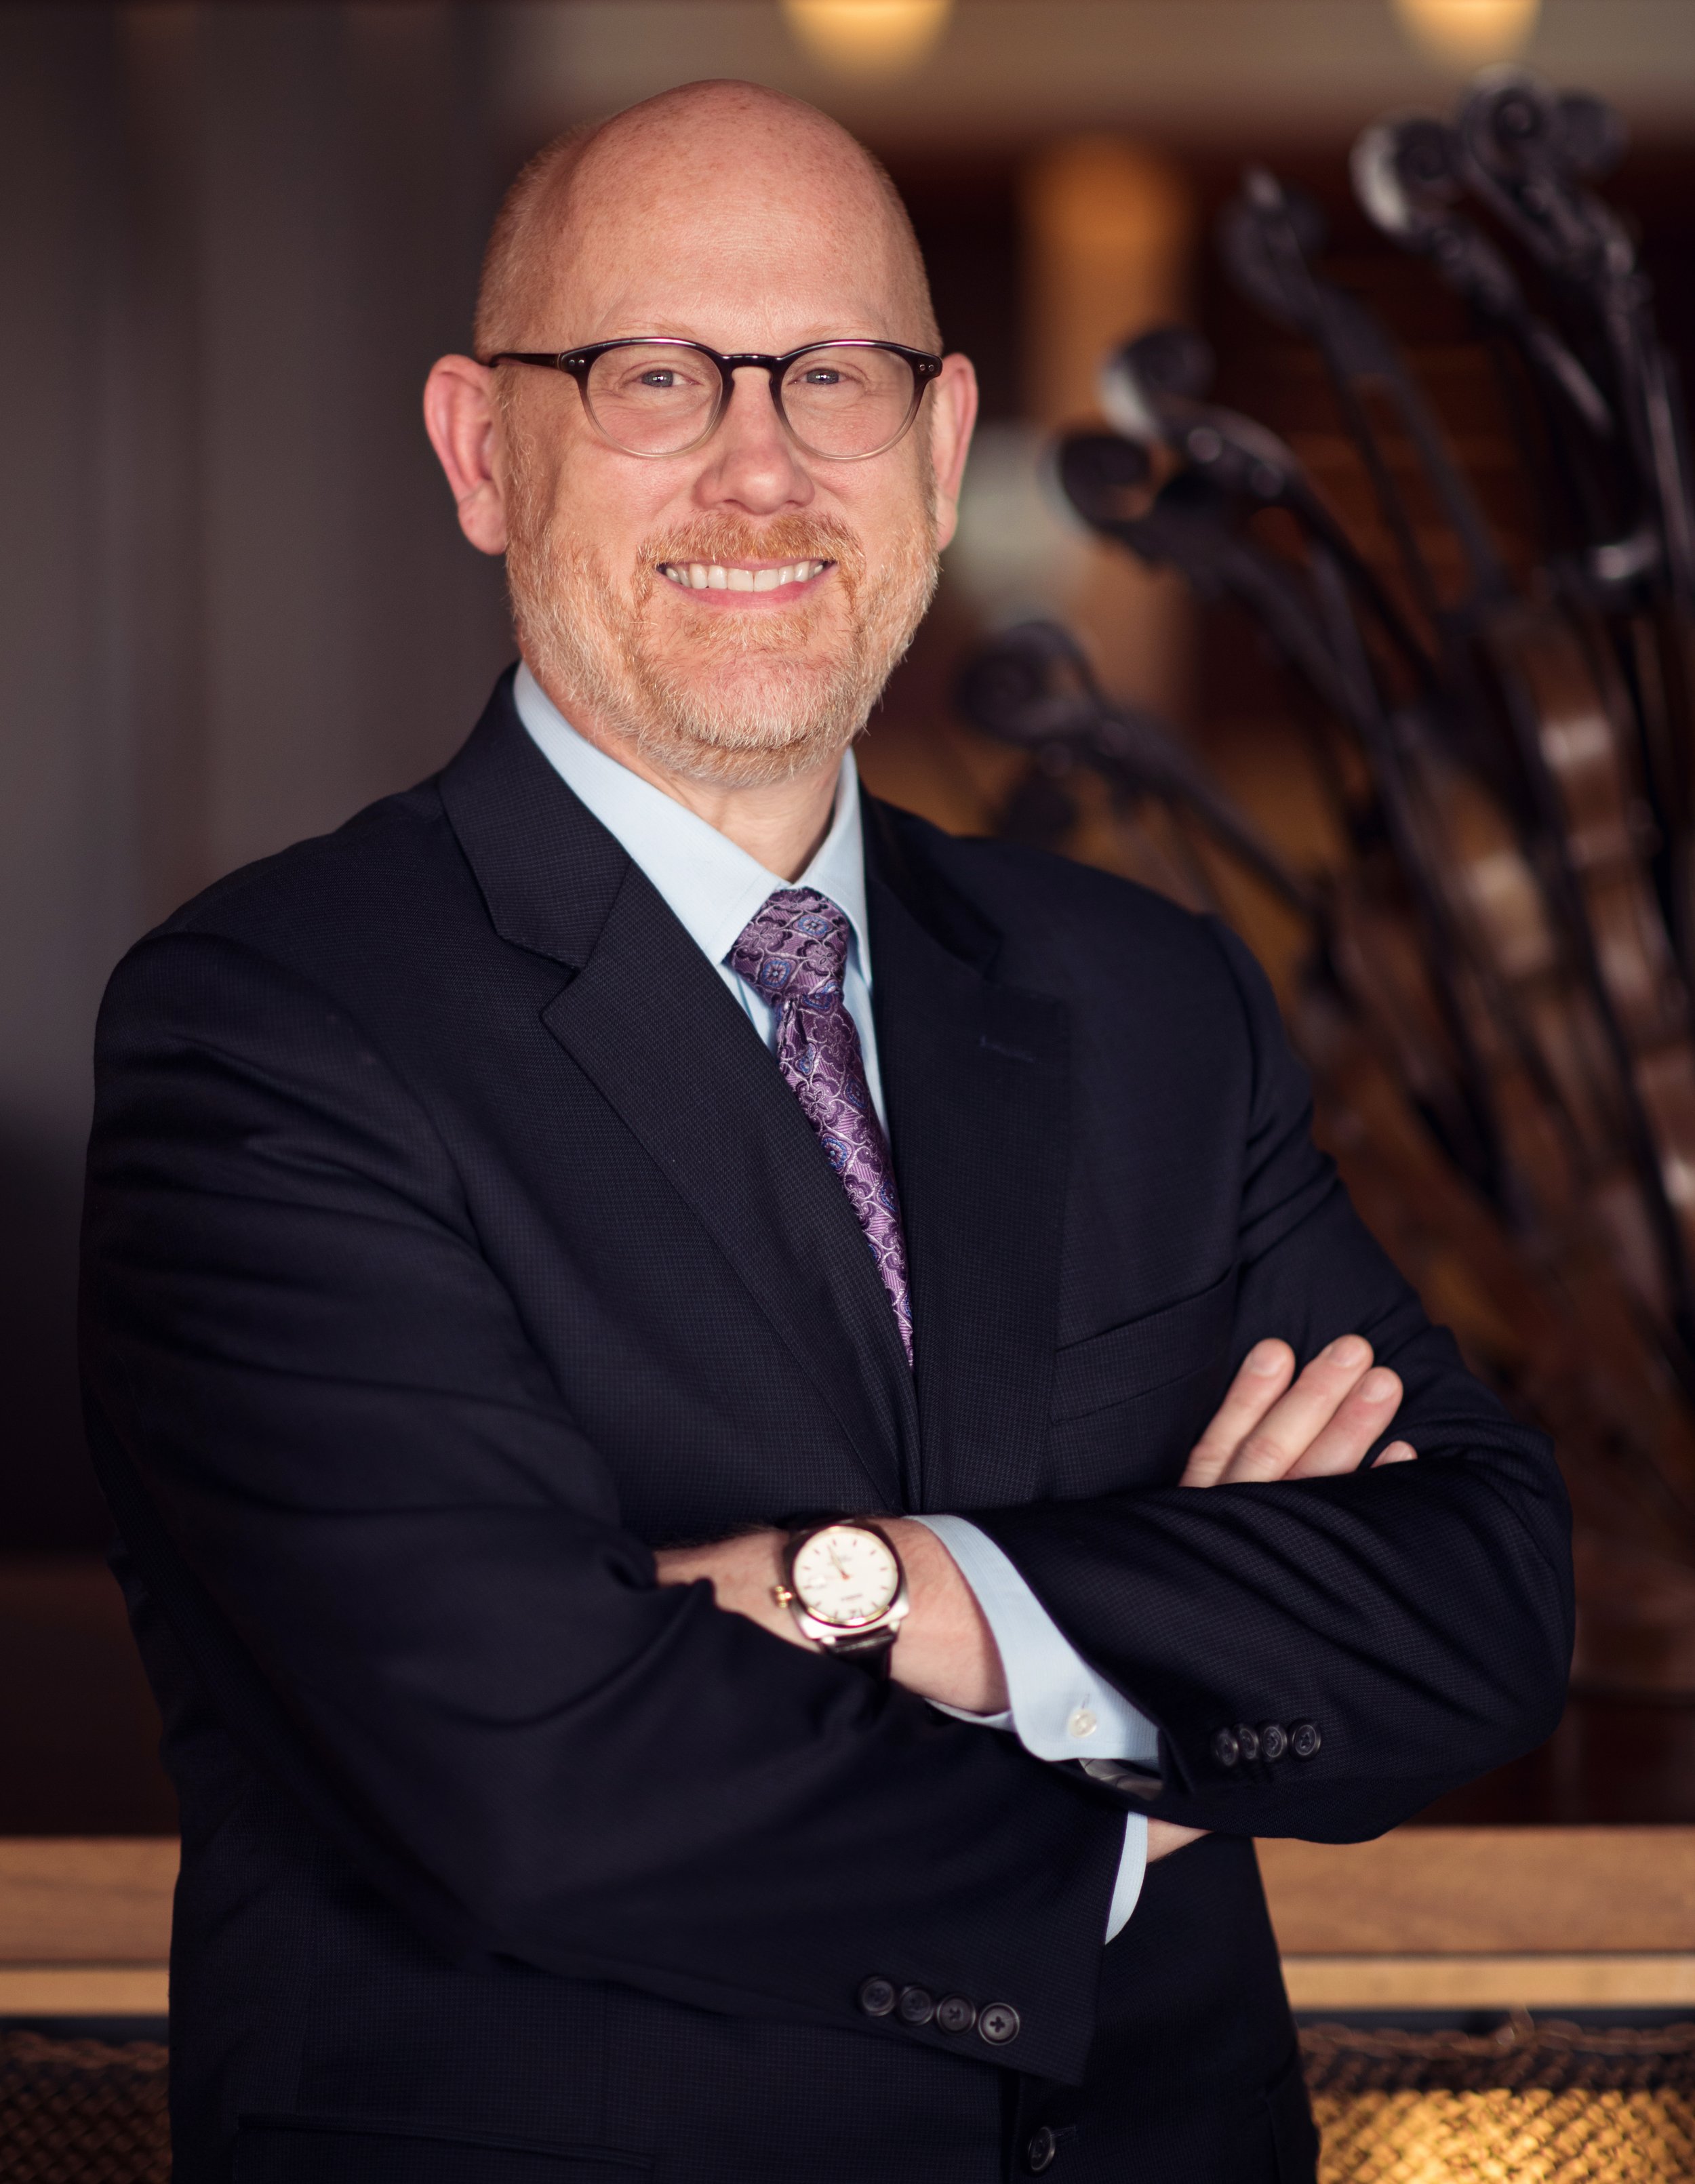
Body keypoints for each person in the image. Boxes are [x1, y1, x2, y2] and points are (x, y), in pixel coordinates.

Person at [79, 79, 1572, 2184]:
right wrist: (1147, 1710)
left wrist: (876, 1590)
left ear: (943, 451)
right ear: (479, 452)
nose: (760, 468)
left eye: (834, 377)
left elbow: (1481, 1595)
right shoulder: (272, 1028)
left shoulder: (1143, 996)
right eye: (653, 376)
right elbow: (534, 1776)